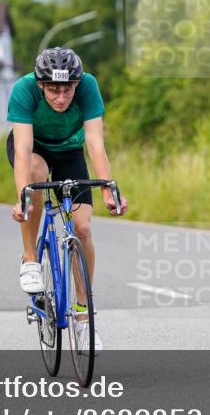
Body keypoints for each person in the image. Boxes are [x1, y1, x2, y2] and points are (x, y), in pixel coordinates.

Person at [8, 47, 129, 354]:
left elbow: (95, 143)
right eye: (53, 90)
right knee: (36, 173)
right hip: (34, 148)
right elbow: (22, 149)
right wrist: (23, 197)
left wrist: (107, 190)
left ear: (77, 83)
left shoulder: (88, 86)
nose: (61, 98)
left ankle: (83, 315)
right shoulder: (23, 89)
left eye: (67, 89)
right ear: (40, 85)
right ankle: (31, 258)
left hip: (70, 151)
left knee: (82, 228)